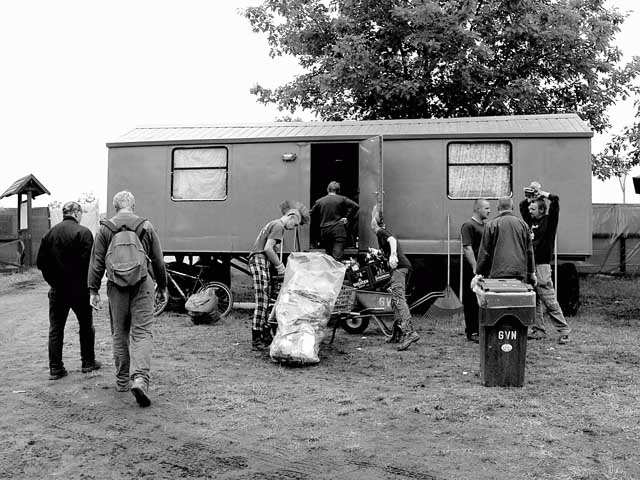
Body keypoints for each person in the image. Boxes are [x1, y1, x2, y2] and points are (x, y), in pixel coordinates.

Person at [88, 191, 168, 407]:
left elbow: (96, 261)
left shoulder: (105, 228)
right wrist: (162, 285)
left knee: (119, 332)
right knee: (142, 332)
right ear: (133, 205)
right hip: (143, 283)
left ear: (115, 207)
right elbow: (158, 259)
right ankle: (140, 379)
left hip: (116, 286)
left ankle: (122, 380)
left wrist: (93, 290)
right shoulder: (146, 226)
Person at [36, 201, 101, 381]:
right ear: (77, 213)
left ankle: (56, 368)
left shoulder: (49, 234)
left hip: (57, 289)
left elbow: (41, 263)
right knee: (86, 326)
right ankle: (88, 362)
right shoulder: (84, 233)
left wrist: (52, 281)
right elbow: (89, 263)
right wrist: (90, 286)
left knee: (56, 329)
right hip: (79, 289)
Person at [249, 203, 308, 351]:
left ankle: (264, 334)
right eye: (295, 224)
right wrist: (280, 266)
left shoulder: (273, 223)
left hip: (259, 260)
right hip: (259, 260)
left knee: (265, 298)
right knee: (262, 301)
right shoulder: (279, 226)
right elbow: (268, 249)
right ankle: (256, 338)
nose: (293, 228)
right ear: (292, 216)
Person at [519, 182, 571, 344]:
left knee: (548, 300)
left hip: (542, 265)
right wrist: (530, 198)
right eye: (530, 209)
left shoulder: (549, 221)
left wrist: (542, 194)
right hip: (529, 266)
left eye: (533, 209)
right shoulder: (529, 221)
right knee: (533, 299)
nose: (530, 211)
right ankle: (539, 330)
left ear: (542, 210)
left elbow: (555, 200)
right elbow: (522, 206)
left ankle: (564, 331)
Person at [370, 206, 419, 351]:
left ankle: (410, 332)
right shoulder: (381, 233)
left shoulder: (381, 232)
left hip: (399, 269)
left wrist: (392, 255)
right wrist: (378, 252)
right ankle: (397, 333)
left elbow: (392, 240)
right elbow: (389, 245)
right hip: (402, 268)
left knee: (398, 299)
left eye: (372, 218)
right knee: (395, 301)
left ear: (375, 221)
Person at [476, 196, 536, 286]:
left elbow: (485, 252)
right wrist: (531, 273)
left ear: (497, 207)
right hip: (519, 273)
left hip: (497, 273)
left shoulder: (491, 225)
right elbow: (529, 251)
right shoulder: (523, 225)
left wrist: (479, 272)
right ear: (512, 207)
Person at [460, 198, 491, 343]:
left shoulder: (485, 226)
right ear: (478, 209)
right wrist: (474, 267)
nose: (489, 211)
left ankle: (480, 329)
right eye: (486, 208)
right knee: (472, 300)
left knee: (482, 299)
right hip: (473, 270)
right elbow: (467, 247)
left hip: (484, 269)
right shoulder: (468, 225)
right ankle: (472, 331)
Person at [310, 181, 359, 261]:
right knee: (337, 258)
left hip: (325, 232)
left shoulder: (320, 201)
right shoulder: (342, 199)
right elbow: (355, 206)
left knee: (328, 258)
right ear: (338, 191)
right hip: (338, 232)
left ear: (327, 189)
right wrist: (347, 217)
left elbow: (311, 213)